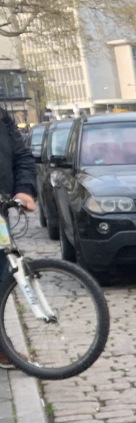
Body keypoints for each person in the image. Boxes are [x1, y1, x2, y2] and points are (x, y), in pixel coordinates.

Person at [0, 105, 38, 369]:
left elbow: (22, 156)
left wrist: (24, 190)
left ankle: (1, 348)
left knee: (2, 274)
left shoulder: (1, 116)